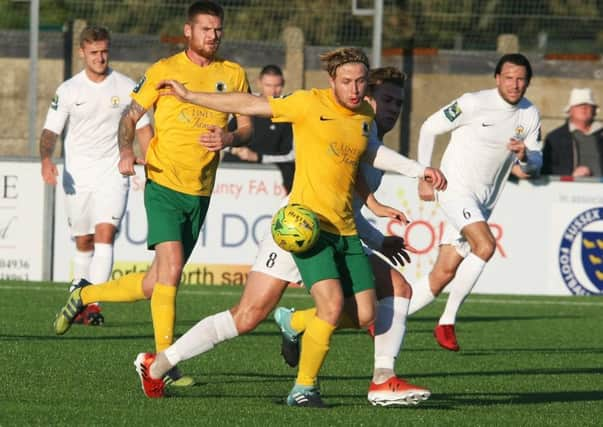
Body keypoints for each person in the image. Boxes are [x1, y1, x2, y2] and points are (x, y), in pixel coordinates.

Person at [132, 63, 446, 407]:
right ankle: (160, 363)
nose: (393, 109)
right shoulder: (330, 115)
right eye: (386, 100)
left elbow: (349, 205)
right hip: (300, 229)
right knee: (248, 315)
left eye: (398, 104)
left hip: (337, 234)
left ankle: (377, 376)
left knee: (389, 292)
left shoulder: (363, 132)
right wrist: (192, 96)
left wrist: (375, 231)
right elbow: (251, 104)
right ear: (363, 95)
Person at [52, 1, 252, 387]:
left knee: (154, 281)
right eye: (206, 29)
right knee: (173, 270)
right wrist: (127, 150)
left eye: (218, 30)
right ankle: (164, 362)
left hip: (200, 190)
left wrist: (229, 137)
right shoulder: (164, 70)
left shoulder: (235, 73)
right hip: (162, 183)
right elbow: (129, 116)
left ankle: (86, 293)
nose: (213, 36)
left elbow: (247, 127)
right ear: (188, 31)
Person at [410, 53, 542, 352]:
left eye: (521, 78)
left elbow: (536, 163)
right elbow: (429, 127)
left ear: (528, 82)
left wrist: (525, 156)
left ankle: (384, 319)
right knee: (486, 246)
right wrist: (423, 173)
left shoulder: (529, 114)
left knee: (442, 274)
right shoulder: (473, 102)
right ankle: (447, 321)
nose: (514, 84)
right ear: (497, 79)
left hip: (483, 201)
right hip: (454, 189)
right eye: (508, 77)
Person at [40, 25, 153, 325]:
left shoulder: (126, 86)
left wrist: (150, 160)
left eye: (104, 51)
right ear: (82, 53)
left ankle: (93, 304)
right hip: (77, 175)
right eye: (94, 53)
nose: (100, 58)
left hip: (113, 172)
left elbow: (142, 127)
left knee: (105, 235)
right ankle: (78, 300)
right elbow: (51, 130)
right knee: (84, 241)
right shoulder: (69, 90)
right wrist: (45, 159)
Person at [223, 64, 295, 193]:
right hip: (232, 181)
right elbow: (221, 136)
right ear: (259, 83)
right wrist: (234, 150)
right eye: (268, 85)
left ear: (283, 84)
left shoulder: (288, 113)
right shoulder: (243, 104)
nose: (273, 91)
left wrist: (258, 157)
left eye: (277, 86)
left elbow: (290, 155)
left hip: (269, 182)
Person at [542, 88, 603, 177]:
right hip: (568, 189)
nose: (583, 108)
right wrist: (570, 174)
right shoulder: (554, 138)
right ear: (570, 111)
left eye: (588, 105)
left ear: (594, 111)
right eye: (579, 105)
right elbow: (546, 169)